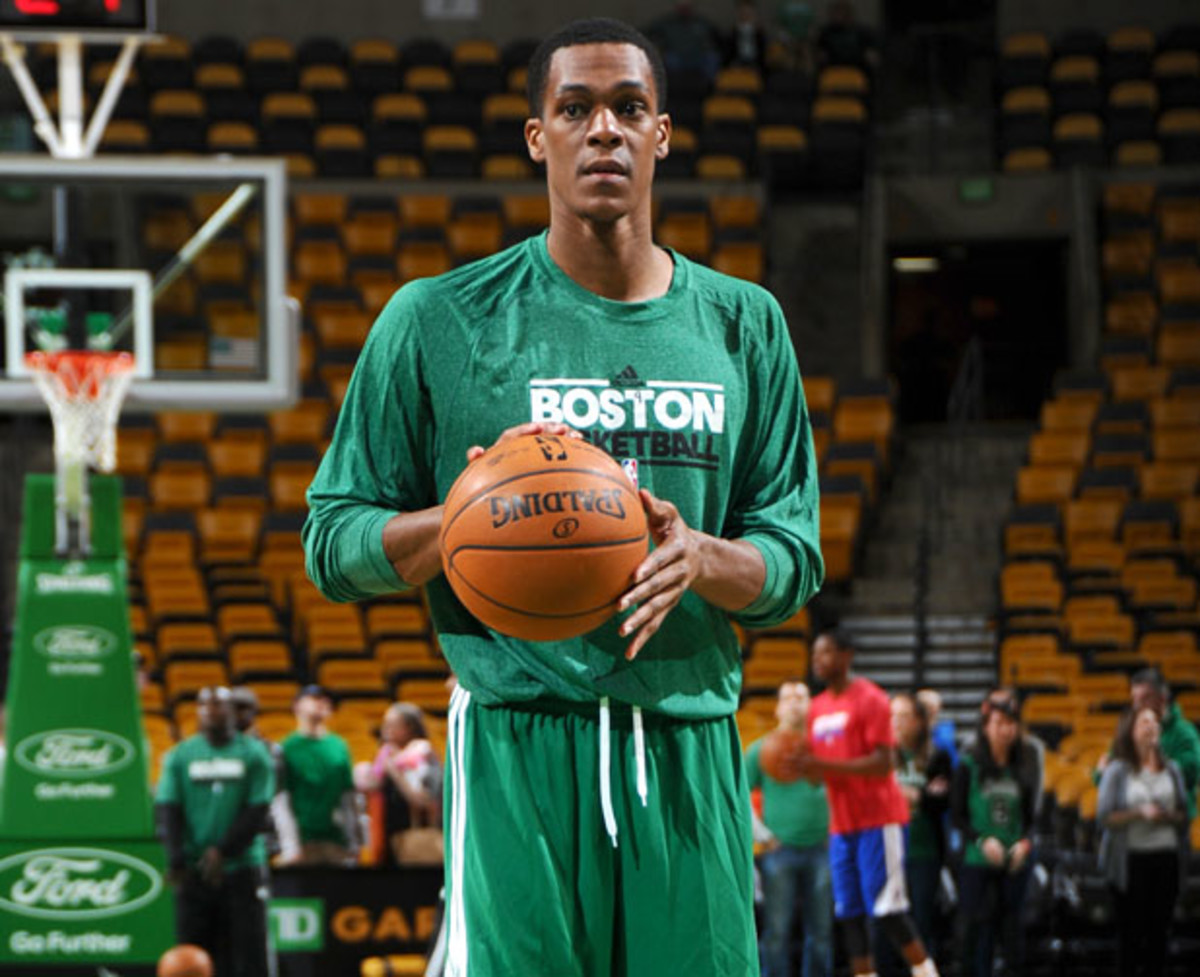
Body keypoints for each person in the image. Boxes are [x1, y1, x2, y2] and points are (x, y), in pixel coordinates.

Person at [303, 16, 824, 975]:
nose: (604, 131)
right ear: (538, 137)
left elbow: (793, 560)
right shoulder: (439, 320)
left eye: (630, 108)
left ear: (662, 133)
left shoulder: (746, 324)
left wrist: (700, 556)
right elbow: (334, 540)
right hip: (517, 744)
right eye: (575, 109)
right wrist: (461, 517)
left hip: (687, 740)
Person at [800, 631, 939, 977]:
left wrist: (823, 767)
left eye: (827, 653)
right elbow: (818, 772)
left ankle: (926, 972)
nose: (818, 660)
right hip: (842, 823)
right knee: (848, 911)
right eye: (815, 654)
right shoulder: (816, 708)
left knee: (888, 909)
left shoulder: (872, 699)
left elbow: (883, 762)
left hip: (879, 818)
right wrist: (801, 768)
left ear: (847, 656)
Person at [155, 686, 274, 977]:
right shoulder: (181, 755)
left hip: (242, 867)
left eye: (219, 704)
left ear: (231, 711)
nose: (212, 710)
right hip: (195, 871)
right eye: (204, 705)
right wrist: (176, 857)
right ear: (197, 712)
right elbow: (168, 807)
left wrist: (223, 850)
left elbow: (258, 808)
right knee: (192, 954)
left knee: (248, 954)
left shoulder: (254, 754)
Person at [746, 680, 833, 977]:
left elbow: (843, 790)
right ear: (779, 707)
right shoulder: (762, 749)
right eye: (789, 697)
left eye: (801, 697)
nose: (795, 702)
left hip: (822, 848)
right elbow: (739, 794)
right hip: (778, 852)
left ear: (811, 704)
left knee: (821, 932)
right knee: (776, 932)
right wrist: (763, 836)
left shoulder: (826, 747)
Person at [1097, 705, 1190, 977]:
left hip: (1167, 859)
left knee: (1159, 936)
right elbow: (1104, 817)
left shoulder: (1171, 769)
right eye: (1144, 722)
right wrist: (1138, 813)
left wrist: (1167, 816)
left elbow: (1184, 816)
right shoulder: (1117, 770)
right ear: (1131, 730)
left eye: (1154, 722)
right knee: (1131, 937)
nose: (1151, 726)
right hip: (1130, 862)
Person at [950, 695, 1037, 977]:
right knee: (976, 938)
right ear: (985, 726)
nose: (1005, 729)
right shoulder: (968, 764)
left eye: (1011, 723)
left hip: (1013, 864)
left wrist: (1024, 844)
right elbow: (957, 816)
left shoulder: (1024, 765)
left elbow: (1031, 820)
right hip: (977, 862)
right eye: (998, 723)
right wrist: (981, 840)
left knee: (1013, 938)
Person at [889, 693, 952, 960]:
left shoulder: (938, 756)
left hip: (924, 851)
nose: (897, 722)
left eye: (904, 716)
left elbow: (943, 801)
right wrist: (920, 792)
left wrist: (917, 795)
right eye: (893, 716)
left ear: (918, 721)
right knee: (887, 924)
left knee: (922, 922)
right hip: (886, 852)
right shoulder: (879, 755)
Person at [279, 685, 361, 865]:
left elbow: (347, 797)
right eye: (315, 698)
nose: (323, 703)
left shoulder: (339, 746)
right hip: (303, 841)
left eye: (326, 700)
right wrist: (290, 845)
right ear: (297, 706)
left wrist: (354, 842)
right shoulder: (287, 748)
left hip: (336, 841)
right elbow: (282, 800)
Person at [362, 702, 443, 866]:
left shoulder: (425, 754)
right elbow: (372, 786)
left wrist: (395, 771)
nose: (386, 730)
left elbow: (424, 800)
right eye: (385, 724)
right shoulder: (386, 753)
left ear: (410, 727)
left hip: (417, 838)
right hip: (390, 838)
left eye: (393, 725)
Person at [230, 685, 300, 860]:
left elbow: (281, 796)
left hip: (266, 835)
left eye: (245, 708)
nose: (240, 714)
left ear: (255, 712)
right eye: (234, 708)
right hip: (228, 835)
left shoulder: (271, 751)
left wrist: (289, 842)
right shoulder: (212, 752)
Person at [1129, 669, 1200, 822]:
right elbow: (1104, 774)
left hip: (1174, 822)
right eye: (1134, 698)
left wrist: (1150, 763)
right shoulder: (1129, 730)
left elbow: (1191, 773)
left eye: (1144, 698)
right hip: (1134, 821)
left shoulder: (1184, 733)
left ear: (1162, 699)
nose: (1136, 705)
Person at [915, 688, 957, 768]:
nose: (928, 711)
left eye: (931, 707)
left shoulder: (945, 733)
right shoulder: (912, 731)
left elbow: (953, 762)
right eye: (924, 705)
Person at [726, 0, 769, 70]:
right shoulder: (732, 33)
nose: (745, 15)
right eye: (743, 13)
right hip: (738, 62)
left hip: (755, 62)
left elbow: (763, 51)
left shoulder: (760, 32)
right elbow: (729, 52)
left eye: (748, 13)